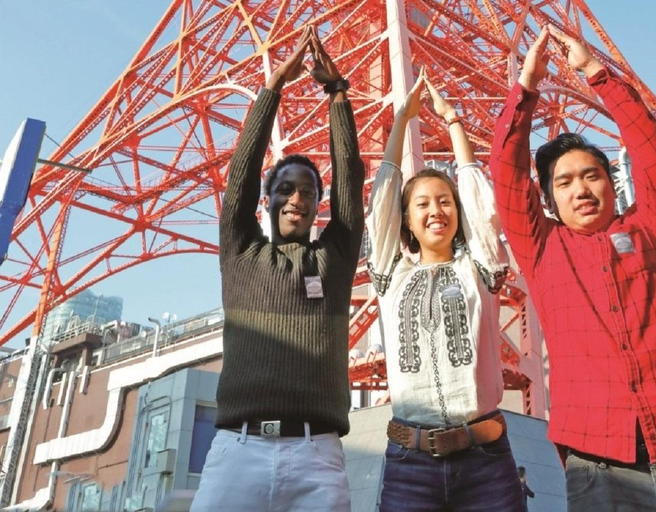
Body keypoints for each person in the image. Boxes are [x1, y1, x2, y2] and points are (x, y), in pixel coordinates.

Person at [490, 24, 656, 511]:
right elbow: (507, 171)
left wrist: (594, 72)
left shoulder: (654, 231)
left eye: (592, 175)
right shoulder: (542, 248)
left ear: (611, 182)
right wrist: (525, 90)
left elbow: (651, 149)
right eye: (564, 183)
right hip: (600, 464)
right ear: (548, 200)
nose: (581, 189)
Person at [190, 26, 364, 512]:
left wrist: (337, 95)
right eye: (286, 189)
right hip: (236, 449)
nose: (297, 199)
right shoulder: (241, 250)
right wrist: (271, 91)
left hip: (317, 453)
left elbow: (351, 180)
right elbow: (240, 177)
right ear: (267, 201)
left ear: (318, 206)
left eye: (309, 192)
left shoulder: (333, 258)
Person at [366, 68, 525, 511]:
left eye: (445, 201)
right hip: (408, 464)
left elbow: (481, 207)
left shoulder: (479, 266)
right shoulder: (392, 275)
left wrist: (453, 122)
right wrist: (402, 121)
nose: (436, 210)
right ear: (408, 221)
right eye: (422, 204)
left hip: (486, 461)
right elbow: (380, 204)